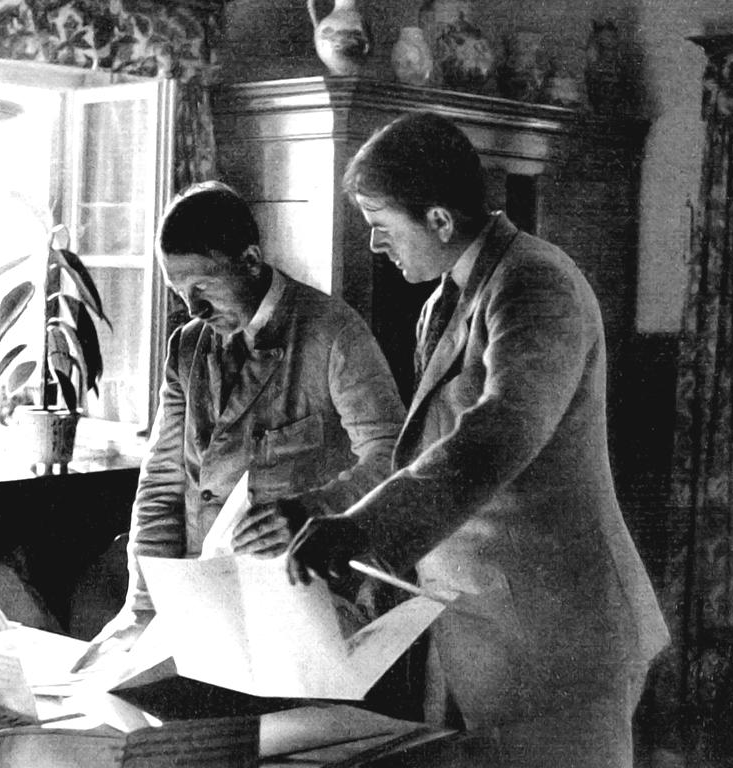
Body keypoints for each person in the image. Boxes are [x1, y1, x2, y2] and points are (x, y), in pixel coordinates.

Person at [284, 112, 670, 767]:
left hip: (562, 638)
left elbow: (495, 438)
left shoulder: (536, 282)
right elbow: (428, 452)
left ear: (438, 220)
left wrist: (361, 528)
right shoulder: (450, 296)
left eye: (380, 223)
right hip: (490, 627)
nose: (374, 243)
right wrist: (371, 561)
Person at [74, 180, 405, 669]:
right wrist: (142, 608)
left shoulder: (333, 333)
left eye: (202, 288)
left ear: (250, 260)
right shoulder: (187, 347)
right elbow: (162, 484)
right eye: (179, 292)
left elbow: (393, 456)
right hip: (203, 609)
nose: (193, 310)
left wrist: (315, 509)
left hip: (306, 608)